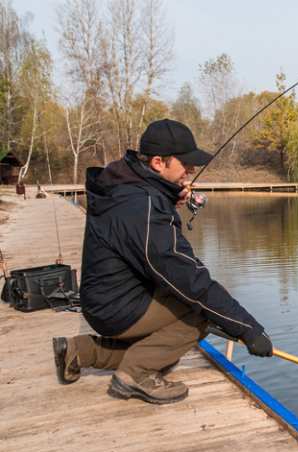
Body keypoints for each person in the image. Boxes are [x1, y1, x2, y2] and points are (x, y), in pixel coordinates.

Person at [52, 119, 272, 405]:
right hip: (116, 307)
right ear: (158, 162)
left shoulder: (126, 186)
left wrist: (165, 198)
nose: (191, 171)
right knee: (199, 313)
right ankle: (136, 374)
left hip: (105, 298)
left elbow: (145, 238)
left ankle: (79, 351)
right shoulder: (143, 207)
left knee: (161, 350)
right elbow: (189, 279)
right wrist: (247, 328)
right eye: (186, 164)